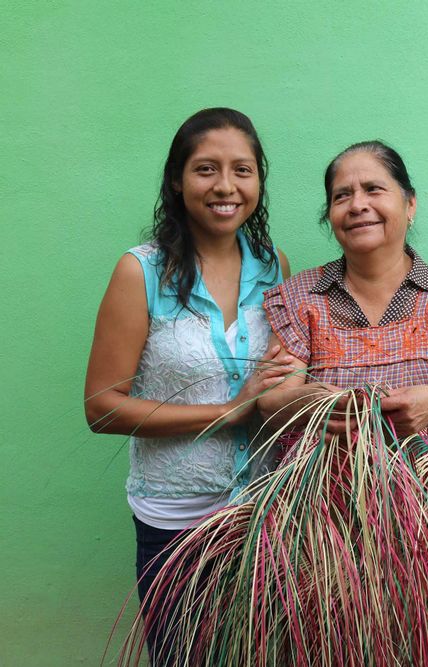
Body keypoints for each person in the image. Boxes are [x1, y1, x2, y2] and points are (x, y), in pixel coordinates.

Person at [83, 107, 293, 662]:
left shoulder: (274, 267)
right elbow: (102, 408)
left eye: (242, 170)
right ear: (177, 180)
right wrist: (225, 412)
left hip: (264, 514)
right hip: (176, 524)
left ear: (259, 180)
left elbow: (283, 375)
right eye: (206, 169)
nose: (225, 186)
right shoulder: (141, 272)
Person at [258, 140, 428, 463]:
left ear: (410, 205)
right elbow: (270, 402)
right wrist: (311, 403)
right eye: (341, 196)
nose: (357, 205)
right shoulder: (299, 297)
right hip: (323, 490)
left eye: (373, 189)